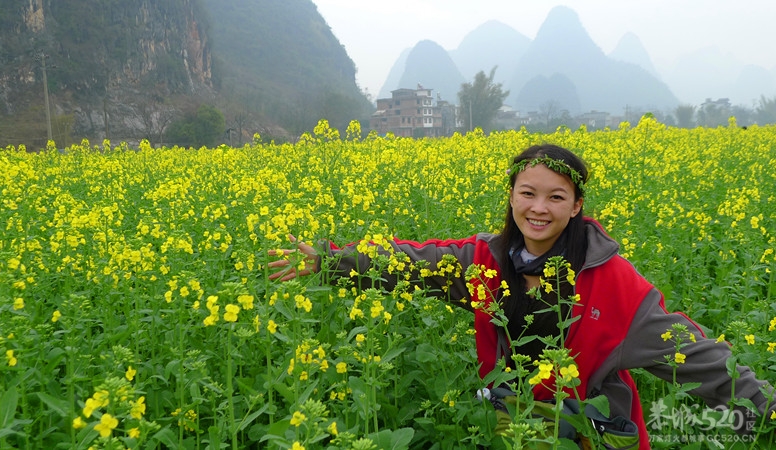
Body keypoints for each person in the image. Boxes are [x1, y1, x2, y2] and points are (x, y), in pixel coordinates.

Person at [268, 144, 774, 448]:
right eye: (526, 193)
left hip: (592, 435)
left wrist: (765, 407)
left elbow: (699, 359)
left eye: (556, 197)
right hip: (512, 426)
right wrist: (331, 262)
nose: (538, 208)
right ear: (510, 196)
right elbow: (412, 263)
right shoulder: (483, 262)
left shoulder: (613, 281)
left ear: (576, 206)